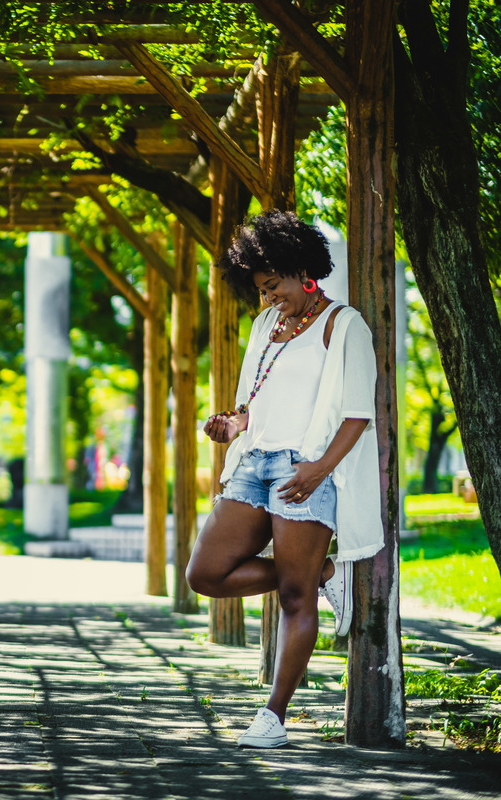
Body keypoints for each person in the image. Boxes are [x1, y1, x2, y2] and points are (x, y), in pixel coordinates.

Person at [186, 210, 383, 748]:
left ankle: (273, 717)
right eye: (262, 290)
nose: (270, 298)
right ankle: (321, 571)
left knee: (294, 600)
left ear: (301, 269)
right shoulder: (264, 326)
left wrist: (319, 470)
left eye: (274, 286)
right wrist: (232, 424)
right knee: (205, 574)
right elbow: (259, 402)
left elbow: (358, 413)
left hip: (305, 467)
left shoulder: (344, 325)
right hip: (255, 463)